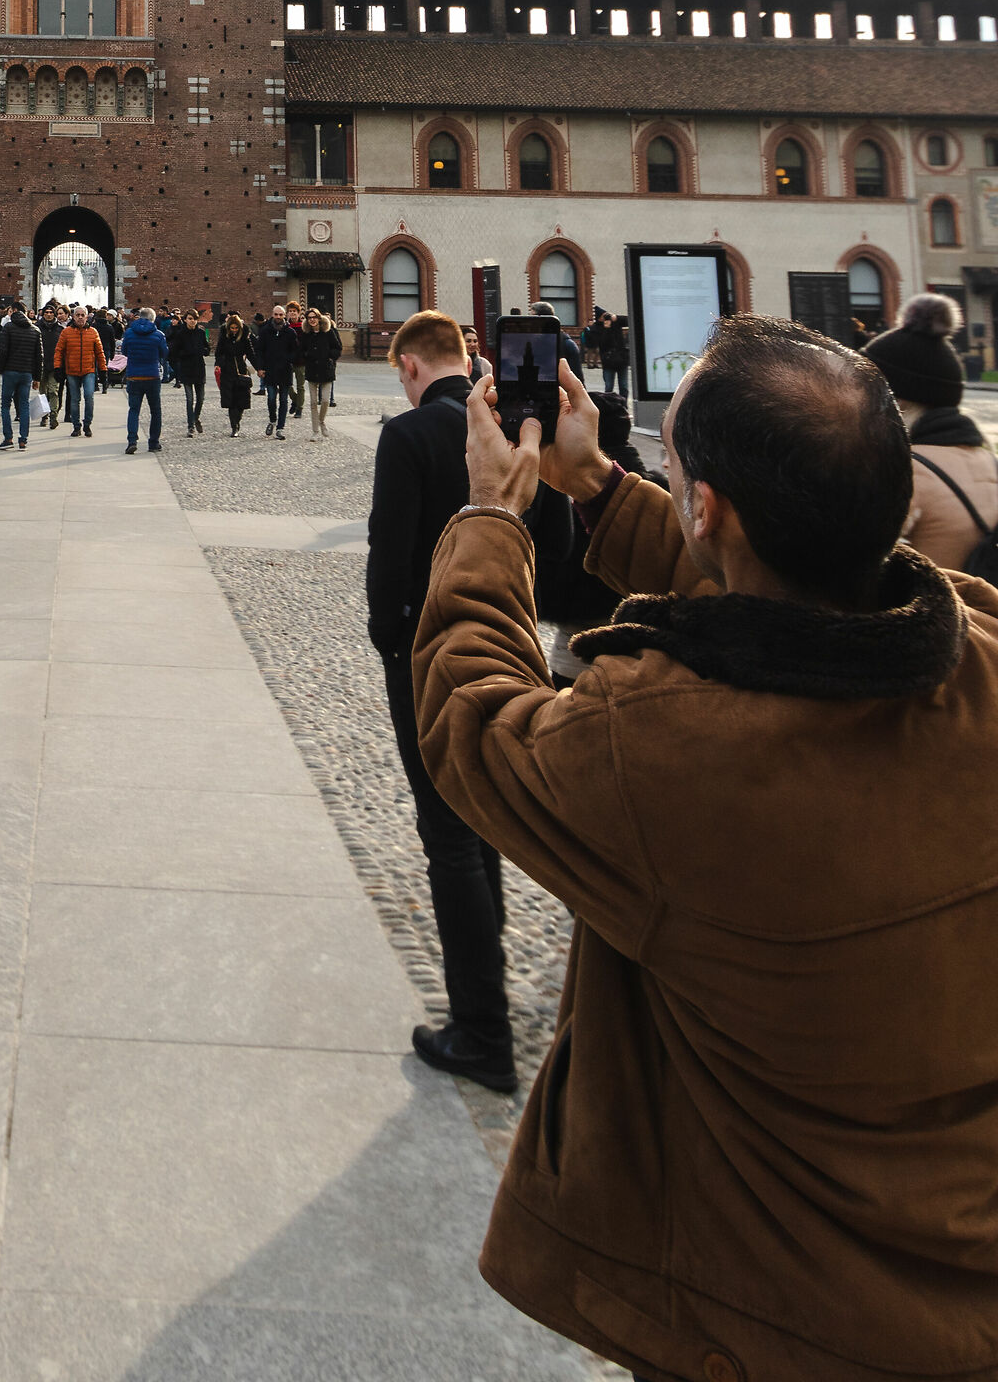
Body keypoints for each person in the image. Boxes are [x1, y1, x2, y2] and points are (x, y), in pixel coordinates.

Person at [414, 317, 998, 1381]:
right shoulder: (981, 654)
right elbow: (798, 612)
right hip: (962, 1280)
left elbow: (472, 716)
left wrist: (491, 514)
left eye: (672, 464)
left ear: (709, 508)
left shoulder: (664, 748)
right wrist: (600, 484)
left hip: (770, 1310)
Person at [366, 308, 515, 1091]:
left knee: (448, 833)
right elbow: (554, 545)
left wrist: (389, 637)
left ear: (411, 366)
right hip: (506, 644)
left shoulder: (411, 435)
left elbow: (388, 554)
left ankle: (481, 1030)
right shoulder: (505, 430)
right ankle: (492, 977)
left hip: (428, 652)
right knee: (483, 815)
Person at [864, 291, 998, 571]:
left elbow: (856, 570)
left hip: (940, 601)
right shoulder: (987, 458)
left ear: (894, 401)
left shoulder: (906, 472)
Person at [535, 391, 644, 683]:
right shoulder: (653, 490)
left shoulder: (569, 498)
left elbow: (553, 566)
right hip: (642, 649)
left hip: (575, 648)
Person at [120, 306, 169, 454]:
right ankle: (153, 442)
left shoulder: (129, 333)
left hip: (134, 375)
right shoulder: (158, 335)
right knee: (155, 411)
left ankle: (132, 441)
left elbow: (124, 351)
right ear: (153, 319)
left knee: (134, 410)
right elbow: (164, 353)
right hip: (152, 375)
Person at [0, 303, 43, 449]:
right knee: (24, 405)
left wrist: (0, 368)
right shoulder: (35, 330)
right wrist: (37, 377)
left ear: (14, 311)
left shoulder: (8, 328)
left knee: (5, 405)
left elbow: (3, 351)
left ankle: (8, 438)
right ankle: (23, 439)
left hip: (10, 370)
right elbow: (39, 357)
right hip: (26, 372)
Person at [55, 305, 106, 436]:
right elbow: (59, 351)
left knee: (89, 396)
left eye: (83, 315)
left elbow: (99, 353)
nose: (80, 317)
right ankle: (76, 426)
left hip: (88, 370)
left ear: (87, 317)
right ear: (73, 317)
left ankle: (87, 423)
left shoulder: (93, 332)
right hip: (72, 370)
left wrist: (103, 370)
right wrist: (57, 367)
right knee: (74, 399)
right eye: (78, 315)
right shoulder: (66, 332)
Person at [254, 304, 299, 438]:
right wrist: (260, 367)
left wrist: (288, 359)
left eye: (280, 314)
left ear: (284, 316)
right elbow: (259, 351)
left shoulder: (290, 332)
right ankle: (272, 420)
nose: (278, 317)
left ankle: (280, 428)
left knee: (284, 400)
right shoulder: (265, 331)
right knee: (271, 399)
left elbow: (295, 350)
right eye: (276, 314)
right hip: (270, 370)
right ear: (272, 315)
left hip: (285, 370)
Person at [300, 307, 341, 438]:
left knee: (325, 400)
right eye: (309, 318)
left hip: (326, 370)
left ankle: (321, 421)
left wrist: (330, 357)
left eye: (314, 317)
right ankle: (315, 431)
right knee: (313, 402)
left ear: (319, 318)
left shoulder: (329, 332)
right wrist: (307, 355)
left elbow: (337, 347)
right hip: (312, 370)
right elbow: (301, 349)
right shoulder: (306, 334)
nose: (312, 320)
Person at [214, 313, 257, 436]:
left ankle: (237, 420)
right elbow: (219, 352)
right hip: (227, 370)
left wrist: (258, 367)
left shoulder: (244, 337)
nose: (234, 330)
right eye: (232, 328)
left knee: (242, 399)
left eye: (236, 328)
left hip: (241, 369)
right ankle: (234, 426)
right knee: (231, 400)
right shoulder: (224, 336)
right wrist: (218, 364)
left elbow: (250, 353)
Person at [168, 308, 210, 434]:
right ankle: (190, 425)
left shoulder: (201, 332)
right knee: (190, 399)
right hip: (186, 368)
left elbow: (207, 347)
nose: (193, 321)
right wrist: (186, 353)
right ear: (185, 320)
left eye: (195, 319)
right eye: (190, 319)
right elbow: (174, 351)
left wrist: (204, 351)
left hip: (199, 368)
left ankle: (195, 418)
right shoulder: (181, 334)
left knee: (201, 398)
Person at [38, 300, 66, 430]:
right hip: (41, 364)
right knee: (42, 392)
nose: (49, 314)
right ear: (43, 314)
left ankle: (53, 415)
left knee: (53, 391)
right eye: (46, 312)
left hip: (55, 365)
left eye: (51, 312)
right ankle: (44, 415)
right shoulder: (37, 328)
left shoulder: (60, 330)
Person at [592, 305, 630, 399]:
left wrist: (617, 317)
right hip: (608, 361)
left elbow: (630, 320)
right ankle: (610, 405)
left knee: (624, 386)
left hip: (621, 360)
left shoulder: (615, 322)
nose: (606, 317)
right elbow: (602, 343)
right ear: (599, 318)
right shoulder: (596, 328)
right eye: (603, 316)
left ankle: (623, 404)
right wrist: (607, 328)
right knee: (609, 387)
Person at [285, 299, 308, 422]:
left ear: (298, 313)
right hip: (288, 360)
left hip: (301, 360)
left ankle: (299, 408)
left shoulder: (304, 326)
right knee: (287, 384)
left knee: (300, 386)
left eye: (294, 311)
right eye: (290, 311)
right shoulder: (285, 326)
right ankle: (295, 399)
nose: (292, 313)